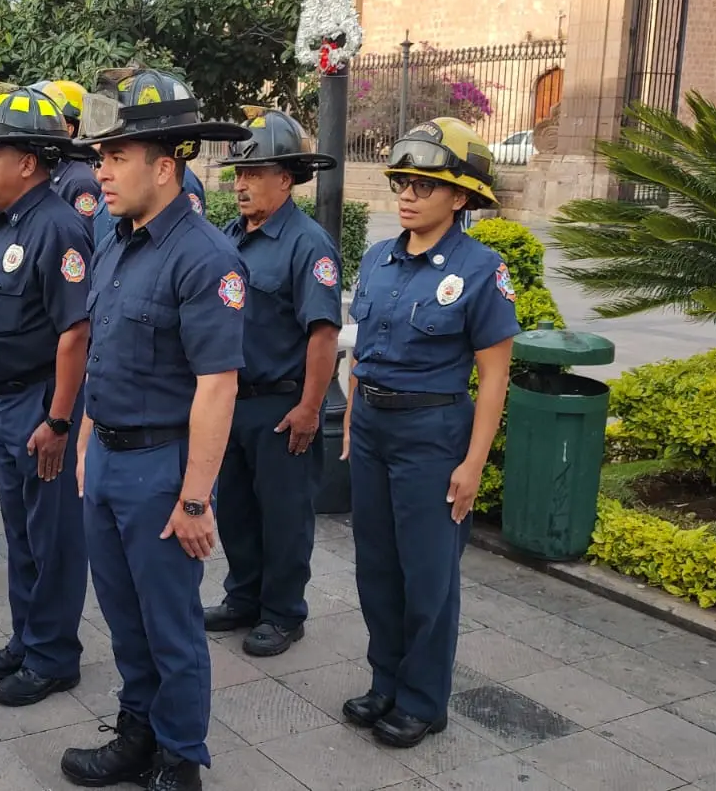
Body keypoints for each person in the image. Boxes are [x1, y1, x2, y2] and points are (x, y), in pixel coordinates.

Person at [61, 67, 251, 791]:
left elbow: (217, 385)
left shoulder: (205, 258)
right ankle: (136, 734)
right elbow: (103, 353)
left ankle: (180, 758)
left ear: (164, 166)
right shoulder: (115, 242)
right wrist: (84, 446)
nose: (101, 171)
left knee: (171, 626)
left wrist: (196, 498)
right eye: (101, 157)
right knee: (122, 616)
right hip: (108, 459)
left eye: (116, 158)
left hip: (162, 468)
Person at [341, 118, 519, 749]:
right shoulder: (379, 259)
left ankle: (423, 700)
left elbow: (494, 378)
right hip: (372, 431)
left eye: (424, 185)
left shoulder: (481, 269)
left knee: (428, 575)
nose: (407, 195)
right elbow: (366, 352)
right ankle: (385, 681)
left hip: (432, 432)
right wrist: (352, 415)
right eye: (403, 183)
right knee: (376, 567)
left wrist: (473, 464)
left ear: (461, 197)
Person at [0, 83, 92, 707]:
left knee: (53, 535)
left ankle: (54, 655)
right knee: (21, 530)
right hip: (3, 400)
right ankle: (27, 637)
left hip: (42, 403)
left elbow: (75, 332)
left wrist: (59, 422)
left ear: (28, 162)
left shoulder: (58, 227)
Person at [201, 109, 342, 658]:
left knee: (283, 516)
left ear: (285, 178)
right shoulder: (230, 238)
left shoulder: (308, 245)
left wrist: (310, 408)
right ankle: (244, 598)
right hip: (234, 402)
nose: (241, 184)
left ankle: (284, 612)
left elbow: (323, 335)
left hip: (282, 406)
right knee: (237, 508)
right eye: (238, 173)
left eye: (254, 173)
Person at [32, 79, 101, 221]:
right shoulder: (54, 171)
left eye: (46, 123)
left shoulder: (80, 182)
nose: (39, 130)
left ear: (68, 129)